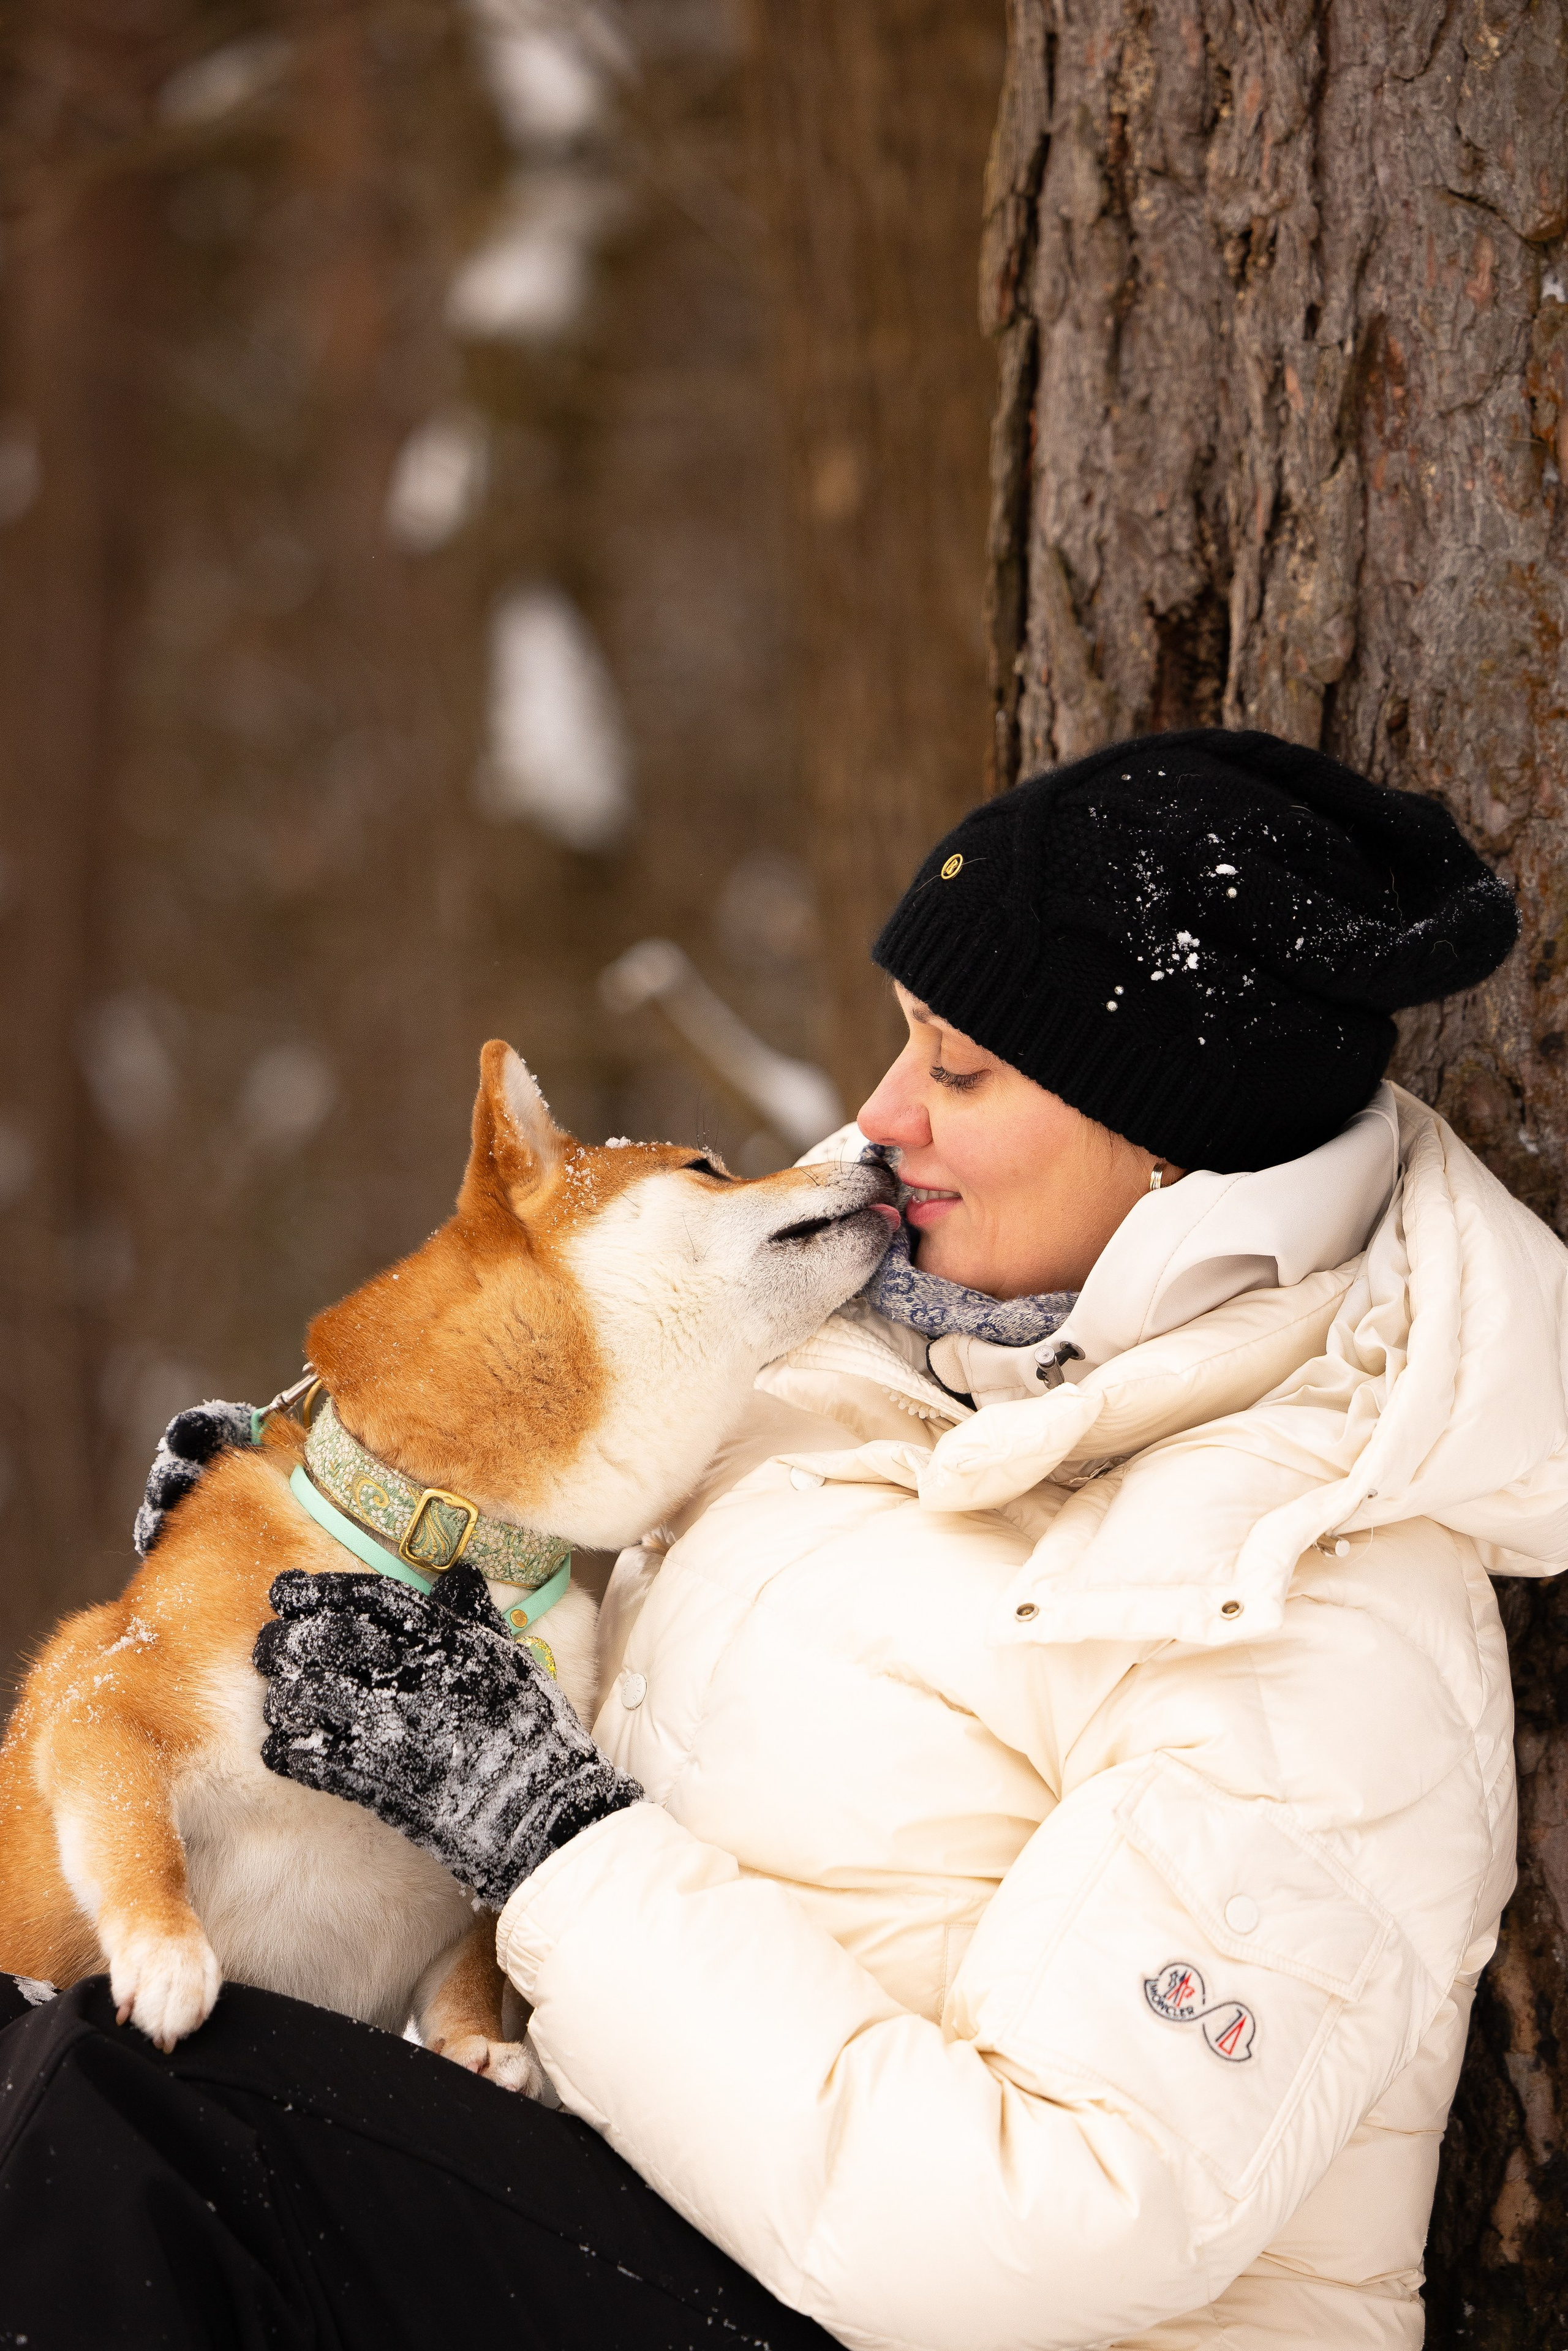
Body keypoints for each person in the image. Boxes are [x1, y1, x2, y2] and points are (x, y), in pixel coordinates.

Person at [2, 726, 1556, 2351]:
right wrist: (319, 1522)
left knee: (139, 2126)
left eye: (960, 1071)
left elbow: (1037, 2234)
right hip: (671, 2227)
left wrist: (546, 1836)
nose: (882, 1118)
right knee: (43, 2057)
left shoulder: (1322, 1604)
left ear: (1168, 1123)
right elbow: (566, 1540)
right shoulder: (874, 1369)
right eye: (900, 1045)